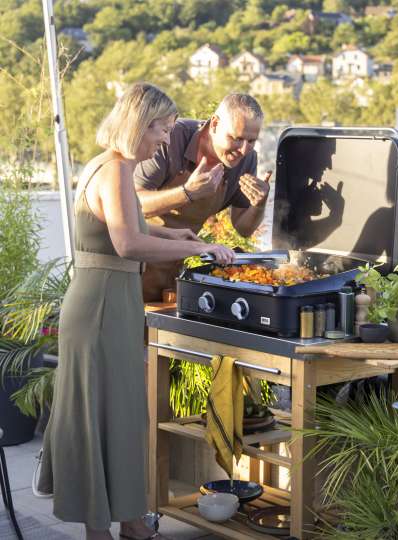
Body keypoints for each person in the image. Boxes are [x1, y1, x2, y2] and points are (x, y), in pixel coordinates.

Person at [37, 82, 234, 540]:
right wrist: (198, 247)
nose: (165, 140)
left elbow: (128, 228)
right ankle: (99, 530)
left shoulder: (103, 165)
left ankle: (127, 519)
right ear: (139, 124)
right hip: (104, 303)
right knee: (104, 415)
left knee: (118, 413)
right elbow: (126, 244)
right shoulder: (116, 170)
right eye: (161, 129)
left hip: (105, 298)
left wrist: (177, 238)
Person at [134, 93, 271, 301]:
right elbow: (134, 204)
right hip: (133, 264)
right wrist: (187, 193)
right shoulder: (170, 139)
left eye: (251, 141)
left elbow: (243, 228)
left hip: (174, 270)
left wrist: (259, 205)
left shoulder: (246, 159)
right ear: (214, 124)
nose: (244, 150)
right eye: (237, 138)